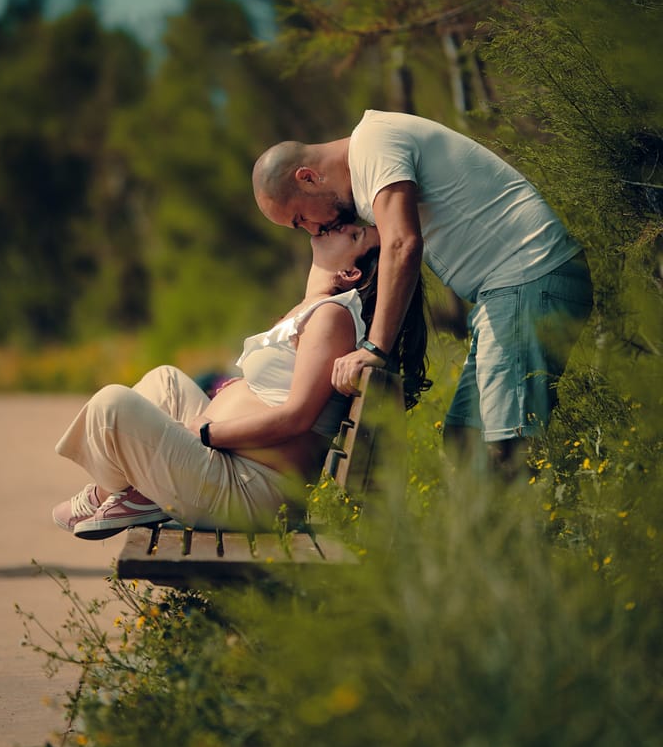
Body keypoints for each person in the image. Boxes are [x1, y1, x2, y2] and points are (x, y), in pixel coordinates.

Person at [253, 109, 593, 470]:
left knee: (506, 446)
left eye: (301, 218)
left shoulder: (373, 145)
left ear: (308, 177)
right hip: (506, 290)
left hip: (528, 273)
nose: (313, 230)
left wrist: (375, 348)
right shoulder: (369, 163)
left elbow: (402, 244)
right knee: (464, 440)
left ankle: (560, 504)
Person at [53, 224, 429, 539]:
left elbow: (297, 417)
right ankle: (137, 494)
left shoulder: (333, 317)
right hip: (233, 470)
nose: (341, 225)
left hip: (250, 491)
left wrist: (208, 433)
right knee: (165, 381)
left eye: (355, 235)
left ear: (350, 273)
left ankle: (116, 492)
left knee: (111, 406)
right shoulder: (316, 310)